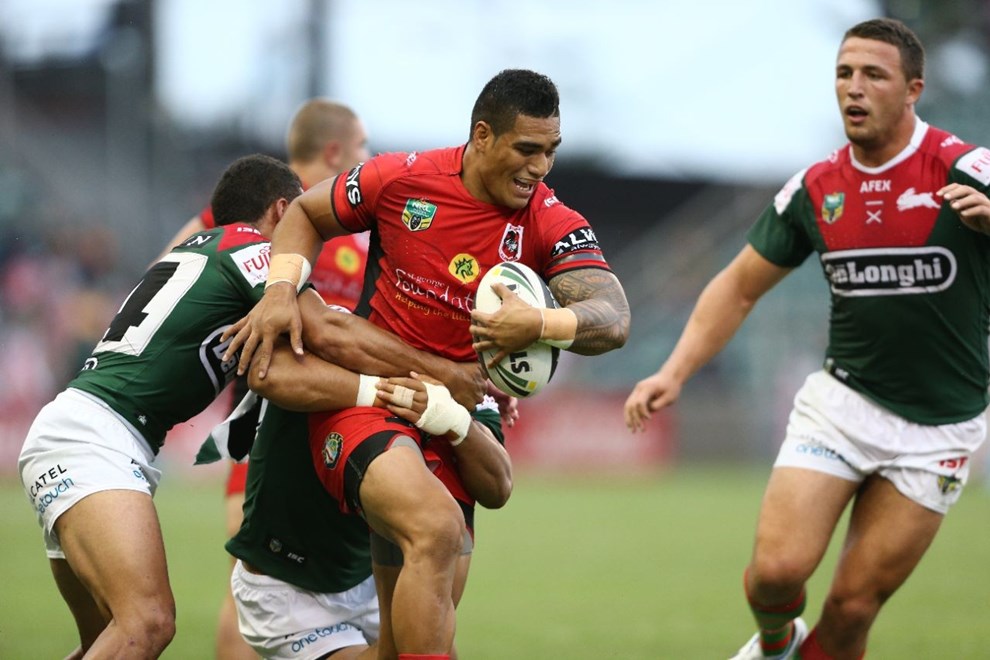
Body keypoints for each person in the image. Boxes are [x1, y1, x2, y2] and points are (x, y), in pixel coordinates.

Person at [223, 68, 631, 659]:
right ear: (483, 135)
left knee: (417, 631)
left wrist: (540, 324)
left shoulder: (549, 219)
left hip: (462, 408)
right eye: (527, 149)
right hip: (376, 397)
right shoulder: (403, 179)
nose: (541, 167)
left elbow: (613, 319)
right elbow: (305, 214)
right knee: (436, 530)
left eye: (551, 151)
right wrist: (281, 290)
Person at [624, 18, 990, 660]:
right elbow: (738, 287)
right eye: (844, 73)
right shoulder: (815, 188)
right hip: (843, 405)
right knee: (775, 574)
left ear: (914, 90)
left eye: (873, 74)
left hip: (940, 426)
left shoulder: (967, 168)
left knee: (850, 610)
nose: (854, 87)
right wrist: (673, 371)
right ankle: (776, 642)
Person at [15, 154, 476, 659]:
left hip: (83, 432)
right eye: (301, 225)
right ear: (281, 212)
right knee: (146, 623)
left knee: (105, 639)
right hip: (95, 439)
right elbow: (325, 332)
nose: (309, 244)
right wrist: (440, 375)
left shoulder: (199, 250)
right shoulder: (253, 250)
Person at [161, 98, 371, 660]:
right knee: (255, 576)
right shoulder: (264, 208)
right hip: (266, 417)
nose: (367, 157)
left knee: (342, 583)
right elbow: (176, 266)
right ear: (335, 151)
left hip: (342, 417)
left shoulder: (351, 223)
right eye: (362, 147)